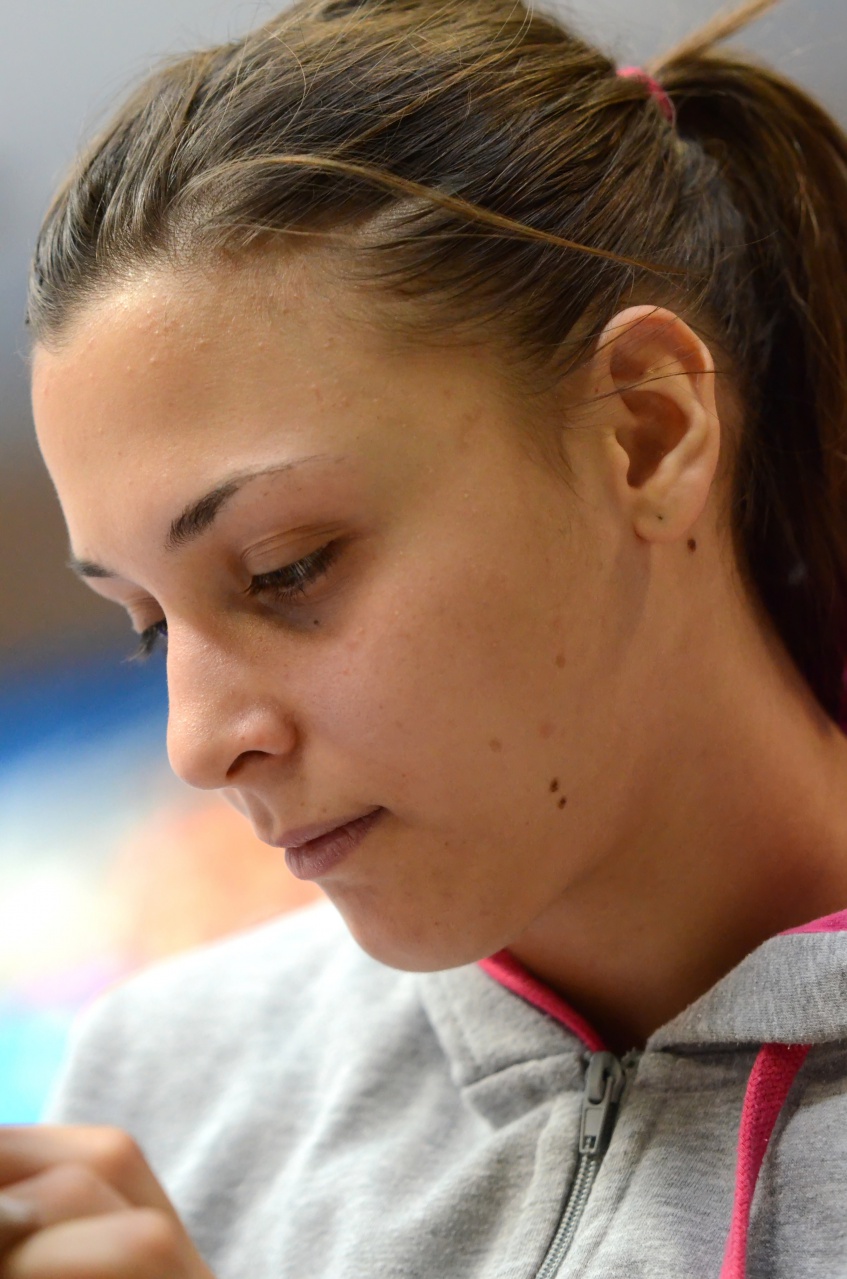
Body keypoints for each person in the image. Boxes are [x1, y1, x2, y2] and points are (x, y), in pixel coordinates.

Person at [4, 0, 847, 1272]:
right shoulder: (164, 1094)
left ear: (644, 431)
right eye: (145, 624)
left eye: (287, 569)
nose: (198, 743)